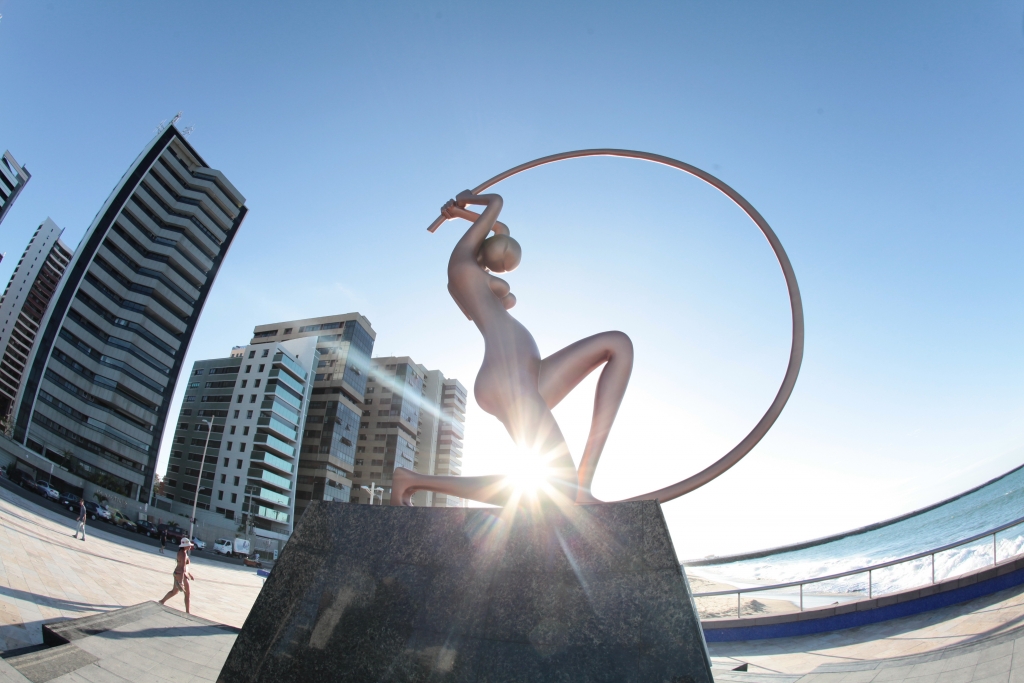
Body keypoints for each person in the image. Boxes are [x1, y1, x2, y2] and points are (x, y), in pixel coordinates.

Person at [391, 190, 633, 507]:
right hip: (507, 377)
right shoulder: (461, 269)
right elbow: (497, 205)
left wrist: (461, 214)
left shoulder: (480, 275)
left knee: (618, 344)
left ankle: (582, 486)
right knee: (554, 488)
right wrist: (467, 200)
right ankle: (413, 480)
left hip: (531, 373)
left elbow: (499, 228)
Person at [159, 537, 195, 613]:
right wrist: (181, 581)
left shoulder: (180, 552)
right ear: (184, 546)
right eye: (188, 545)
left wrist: (189, 574)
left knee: (174, 592)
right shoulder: (184, 554)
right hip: (181, 574)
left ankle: (162, 601)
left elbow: (182, 566)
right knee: (187, 594)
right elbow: (182, 567)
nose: (190, 546)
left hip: (177, 573)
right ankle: (188, 612)